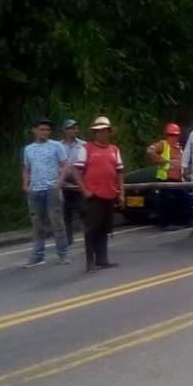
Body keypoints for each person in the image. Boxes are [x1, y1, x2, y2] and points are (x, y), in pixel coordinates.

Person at [75, 116, 124, 271]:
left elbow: (120, 172)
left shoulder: (114, 149)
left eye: (105, 131)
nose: (102, 134)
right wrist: (84, 190)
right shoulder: (87, 149)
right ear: (95, 133)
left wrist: (121, 192)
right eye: (99, 131)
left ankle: (102, 259)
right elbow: (77, 171)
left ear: (109, 132)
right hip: (93, 195)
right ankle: (90, 262)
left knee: (105, 227)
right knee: (92, 229)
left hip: (110, 193)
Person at [21, 117, 71, 267]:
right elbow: (26, 168)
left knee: (57, 222)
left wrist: (60, 181)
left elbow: (64, 165)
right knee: (37, 224)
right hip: (35, 189)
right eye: (42, 129)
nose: (45, 132)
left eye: (48, 130)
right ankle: (37, 255)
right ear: (35, 130)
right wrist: (25, 184)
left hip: (51, 188)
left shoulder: (56, 146)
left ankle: (63, 254)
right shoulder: (28, 149)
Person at [147, 122, 186, 231]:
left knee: (181, 199)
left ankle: (180, 221)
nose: (173, 137)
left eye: (175, 135)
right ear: (167, 135)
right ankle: (165, 224)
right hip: (165, 178)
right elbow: (150, 150)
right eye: (170, 135)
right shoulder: (163, 145)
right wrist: (160, 160)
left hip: (177, 179)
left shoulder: (178, 148)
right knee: (165, 201)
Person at [59, 119, 87, 247]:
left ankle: (89, 236)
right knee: (66, 212)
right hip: (63, 183)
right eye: (71, 128)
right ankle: (68, 239)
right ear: (65, 130)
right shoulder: (58, 146)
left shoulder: (83, 145)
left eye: (76, 128)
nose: (74, 131)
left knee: (83, 210)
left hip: (79, 183)